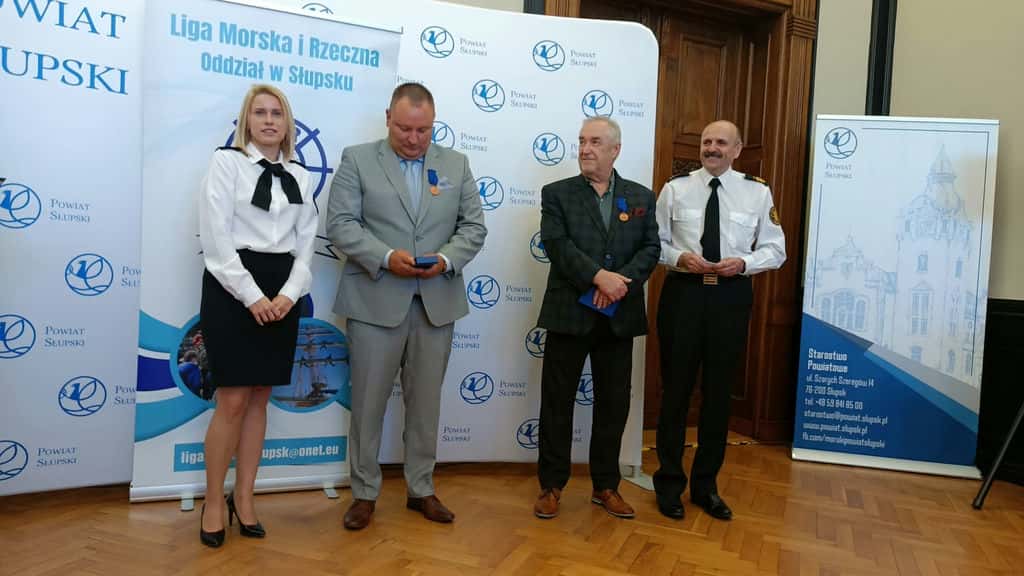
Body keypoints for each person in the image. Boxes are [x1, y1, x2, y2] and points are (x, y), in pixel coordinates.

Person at [326, 82, 486, 530]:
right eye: (404, 129)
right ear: (387, 119)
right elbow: (340, 224)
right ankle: (364, 493)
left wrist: (446, 260)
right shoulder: (357, 159)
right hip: (374, 300)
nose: (414, 139)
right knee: (368, 405)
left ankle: (421, 488)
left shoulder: (456, 164)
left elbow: (473, 227)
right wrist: (384, 257)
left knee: (426, 404)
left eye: (423, 130)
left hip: (437, 304)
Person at [197, 84, 316, 547]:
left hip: (282, 288)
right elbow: (215, 238)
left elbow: (306, 243)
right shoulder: (225, 163)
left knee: (261, 398)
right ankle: (212, 501)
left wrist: (288, 294)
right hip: (232, 285)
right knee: (232, 400)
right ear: (247, 120)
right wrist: (251, 296)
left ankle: (243, 497)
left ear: (288, 124)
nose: (269, 121)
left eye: (277, 114)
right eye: (260, 113)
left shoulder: (301, 175)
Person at [653, 120, 786, 521]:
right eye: (707, 141)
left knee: (717, 396)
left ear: (737, 150)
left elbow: (775, 250)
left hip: (730, 297)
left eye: (721, 143)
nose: (712, 148)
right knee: (675, 393)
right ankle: (669, 485)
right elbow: (653, 243)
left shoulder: (757, 192)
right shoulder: (675, 188)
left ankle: (705, 488)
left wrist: (743, 263)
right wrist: (679, 257)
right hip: (683, 295)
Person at [532, 116, 660, 520]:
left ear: (615, 150)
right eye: (582, 141)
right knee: (557, 404)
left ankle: (606, 486)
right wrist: (598, 277)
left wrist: (618, 284)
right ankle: (552, 485)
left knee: (613, 405)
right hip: (569, 313)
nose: (586, 149)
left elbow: (651, 248)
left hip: (618, 316)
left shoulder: (641, 196)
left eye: (595, 142)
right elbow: (557, 245)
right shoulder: (557, 193)